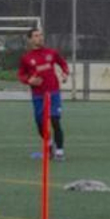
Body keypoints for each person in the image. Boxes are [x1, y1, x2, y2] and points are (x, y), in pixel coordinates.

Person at [18, 27, 69, 161]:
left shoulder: (51, 53)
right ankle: (49, 144)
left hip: (53, 93)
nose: (40, 38)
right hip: (38, 95)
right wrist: (29, 80)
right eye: (36, 36)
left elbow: (63, 63)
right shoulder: (26, 58)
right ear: (30, 39)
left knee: (55, 120)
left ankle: (60, 151)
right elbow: (21, 75)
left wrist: (65, 73)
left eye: (41, 35)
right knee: (40, 124)